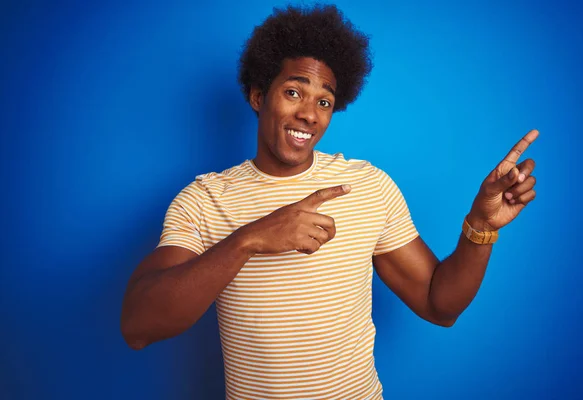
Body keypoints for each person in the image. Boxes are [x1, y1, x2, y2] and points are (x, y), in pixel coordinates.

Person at [120, 4, 538, 399]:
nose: (309, 114)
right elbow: (138, 326)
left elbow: (439, 304)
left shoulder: (367, 186)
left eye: (324, 101)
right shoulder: (205, 200)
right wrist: (249, 239)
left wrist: (481, 226)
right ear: (258, 96)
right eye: (293, 92)